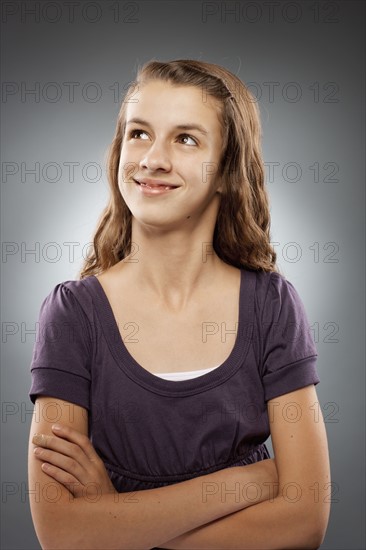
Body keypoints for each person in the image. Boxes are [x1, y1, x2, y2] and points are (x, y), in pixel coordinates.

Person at [28, 59, 331, 549]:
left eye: (186, 139)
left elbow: (305, 521)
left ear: (227, 172)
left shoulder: (272, 305)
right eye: (139, 133)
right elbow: (64, 534)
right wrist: (247, 484)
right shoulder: (72, 314)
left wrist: (115, 520)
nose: (152, 159)